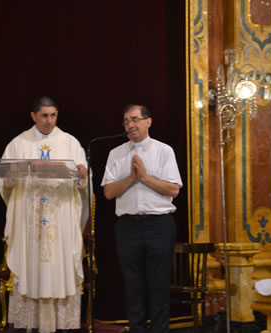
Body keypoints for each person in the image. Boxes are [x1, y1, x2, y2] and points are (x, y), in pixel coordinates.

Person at [0, 96, 89, 333]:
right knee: (32, 264)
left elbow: (83, 182)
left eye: (53, 116)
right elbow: (4, 180)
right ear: (33, 116)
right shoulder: (18, 144)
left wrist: (81, 175)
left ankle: (62, 323)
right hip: (30, 220)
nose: (49, 121)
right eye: (45, 116)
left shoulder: (69, 142)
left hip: (62, 217)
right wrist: (15, 173)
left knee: (59, 263)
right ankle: (29, 322)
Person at [101, 104, 182, 333]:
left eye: (135, 119)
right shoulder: (116, 154)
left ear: (148, 121)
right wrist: (132, 179)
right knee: (133, 286)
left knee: (158, 286)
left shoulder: (164, 150)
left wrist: (144, 177)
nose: (130, 125)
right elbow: (108, 192)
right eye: (126, 121)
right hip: (128, 227)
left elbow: (173, 190)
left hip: (159, 224)